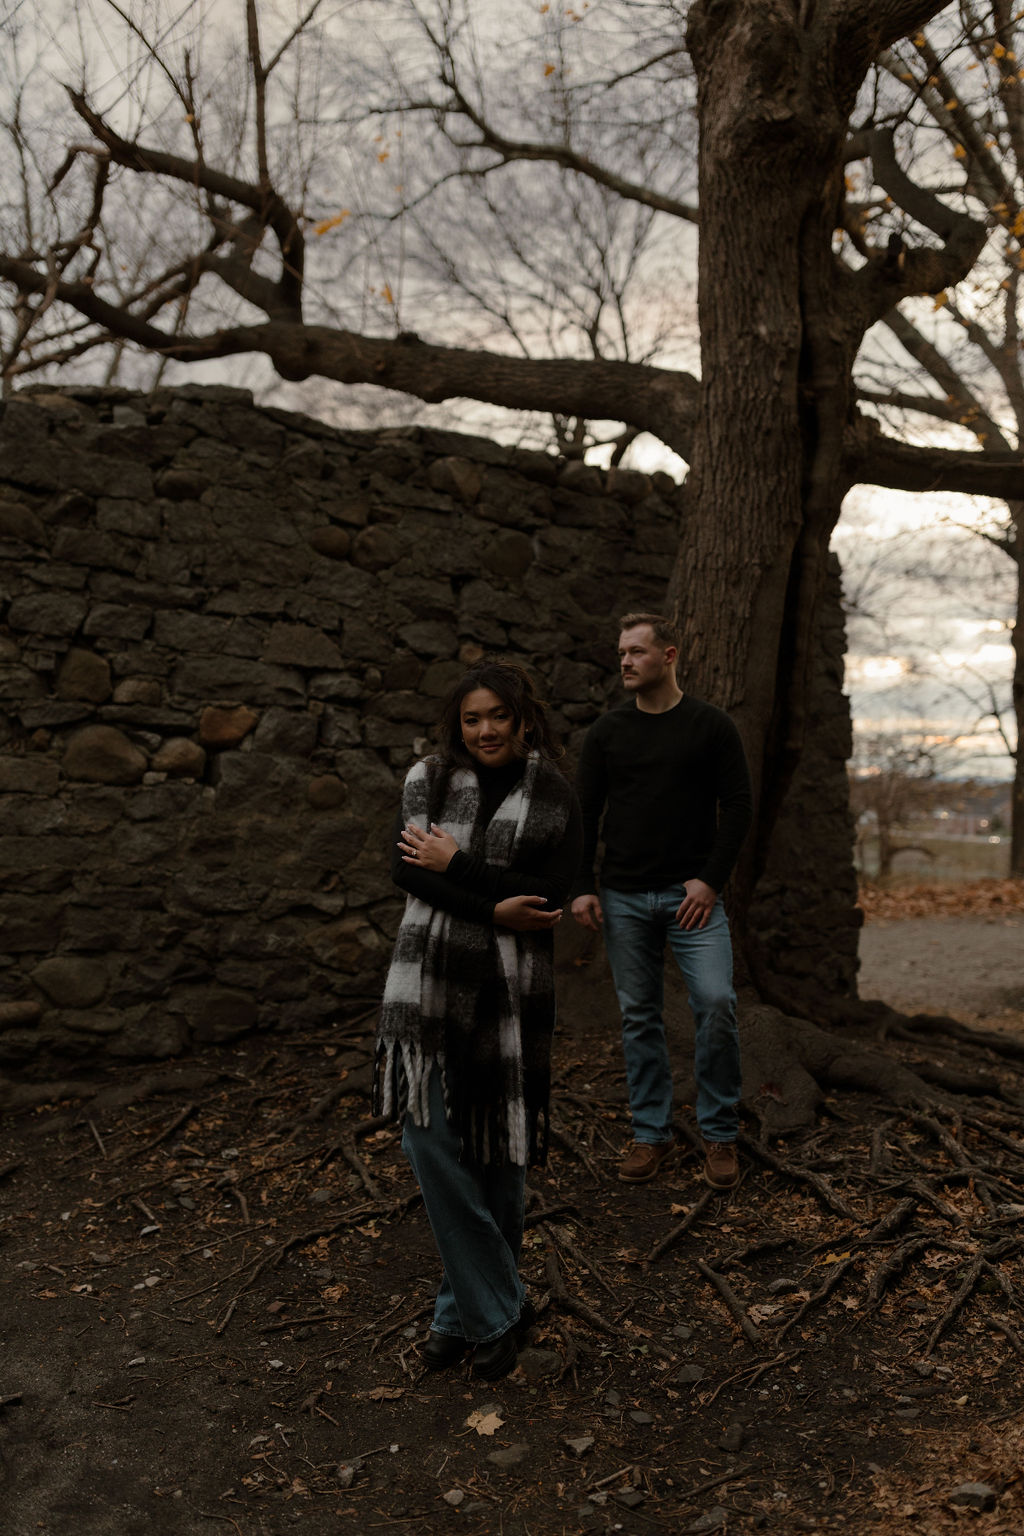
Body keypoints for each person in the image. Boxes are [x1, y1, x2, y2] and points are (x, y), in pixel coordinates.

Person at [374, 659, 582, 1380]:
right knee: (428, 1137)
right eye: (472, 718)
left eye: (498, 715)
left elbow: (551, 891)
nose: (486, 729)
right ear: (456, 725)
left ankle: (455, 1316)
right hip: (425, 989)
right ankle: (499, 1307)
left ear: (522, 718)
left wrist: (460, 868)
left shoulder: (552, 789)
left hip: (511, 994)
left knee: (499, 1152)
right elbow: (407, 872)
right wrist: (494, 906)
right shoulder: (426, 780)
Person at [570, 613, 752, 1190]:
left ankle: (719, 1133)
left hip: (692, 898)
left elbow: (739, 807)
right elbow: (584, 814)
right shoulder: (607, 733)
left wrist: (709, 881)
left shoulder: (711, 726)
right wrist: (580, 885)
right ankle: (649, 1134)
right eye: (621, 653)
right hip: (623, 897)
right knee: (639, 1017)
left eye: (637, 652)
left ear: (669, 656)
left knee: (716, 1002)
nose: (624, 662)